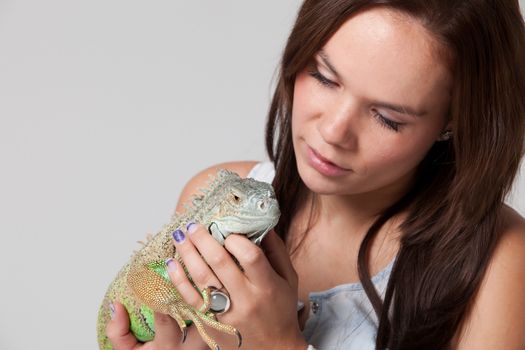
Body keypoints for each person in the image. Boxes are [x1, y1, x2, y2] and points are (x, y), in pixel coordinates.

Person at [106, 0, 525, 349]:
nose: (333, 131)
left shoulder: (501, 263)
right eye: (323, 77)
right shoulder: (215, 195)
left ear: (452, 124)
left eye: (387, 117)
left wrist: (281, 343)